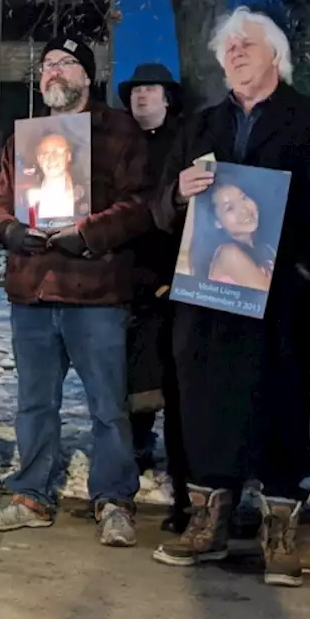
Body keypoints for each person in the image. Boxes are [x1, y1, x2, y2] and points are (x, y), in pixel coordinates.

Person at [149, 8, 310, 587]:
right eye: (227, 47)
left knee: (281, 403)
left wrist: (307, 271)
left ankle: (280, 526)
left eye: (246, 44)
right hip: (207, 292)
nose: (234, 53)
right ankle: (208, 520)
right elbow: (159, 207)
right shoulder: (199, 125)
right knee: (205, 403)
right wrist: (179, 194)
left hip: (279, 295)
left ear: (275, 56)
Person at [0, 36, 151, 548]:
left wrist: (89, 234)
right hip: (33, 288)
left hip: (95, 292)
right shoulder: (23, 138)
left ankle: (114, 499)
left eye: (67, 64)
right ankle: (31, 494)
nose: (54, 72)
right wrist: (8, 229)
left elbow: (140, 202)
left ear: (88, 76)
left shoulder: (119, 131)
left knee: (107, 406)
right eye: (47, 64)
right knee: (34, 404)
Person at [120, 63, 190, 532]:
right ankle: (136, 448)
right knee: (129, 371)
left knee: (169, 372)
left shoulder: (180, 145)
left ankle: (178, 463)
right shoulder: (118, 144)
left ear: (167, 98)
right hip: (122, 274)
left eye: (152, 89)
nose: (142, 97)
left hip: (169, 274)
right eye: (137, 90)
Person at [191, 178, 276, 290]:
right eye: (230, 208)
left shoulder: (267, 249)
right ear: (217, 222)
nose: (244, 209)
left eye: (244, 198)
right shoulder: (229, 255)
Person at [24, 133, 88, 221]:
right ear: (39, 159)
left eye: (57, 152)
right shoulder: (26, 198)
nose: (51, 159)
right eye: (46, 154)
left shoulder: (84, 193)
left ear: (68, 156)